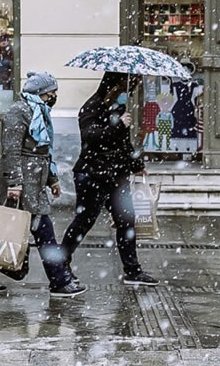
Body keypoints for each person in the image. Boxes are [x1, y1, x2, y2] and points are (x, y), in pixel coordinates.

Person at [0, 71, 85, 297]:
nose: (54, 96)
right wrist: (14, 183)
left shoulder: (39, 111)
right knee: (43, 233)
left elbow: (44, 151)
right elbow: (10, 151)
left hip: (33, 184)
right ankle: (59, 281)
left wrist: (52, 180)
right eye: (51, 92)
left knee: (7, 231)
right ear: (40, 92)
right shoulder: (18, 112)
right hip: (20, 186)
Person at [60, 72, 159, 286]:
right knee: (84, 220)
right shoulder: (92, 106)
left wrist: (136, 165)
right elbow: (91, 137)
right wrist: (118, 125)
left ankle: (132, 270)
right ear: (114, 85)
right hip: (92, 174)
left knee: (126, 220)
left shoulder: (118, 107)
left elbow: (123, 144)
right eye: (126, 87)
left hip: (116, 174)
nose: (128, 92)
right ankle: (61, 262)